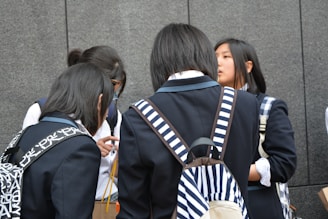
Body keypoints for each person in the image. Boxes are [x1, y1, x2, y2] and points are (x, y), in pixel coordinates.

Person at [117, 23, 259, 218]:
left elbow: (134, 209)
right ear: (206, 56)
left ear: (159, 63)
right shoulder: (245, 104)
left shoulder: (138, 117)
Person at [21, 45, 127, 201]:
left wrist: (122, 157)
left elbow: (116, 172)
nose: (109, 100)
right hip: (57, 203)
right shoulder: (41, 112)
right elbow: (29, 166)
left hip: (105, 201)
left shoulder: (112, 115)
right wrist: (88, 150)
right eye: (108, 89)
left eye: (115, 94)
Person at [14, 63, 113, 218]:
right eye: (108, 105)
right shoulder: (81, 148)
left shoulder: (26, 134)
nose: (107, 114)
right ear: (99, 102)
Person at [214, 38, 297, 219]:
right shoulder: (209, 108)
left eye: (226, 56)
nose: (217, 62)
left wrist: (235, 172)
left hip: (260, 204)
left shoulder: (268, 107)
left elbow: (284, 163)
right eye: (215, 57)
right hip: (218, 207)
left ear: (248, 66)